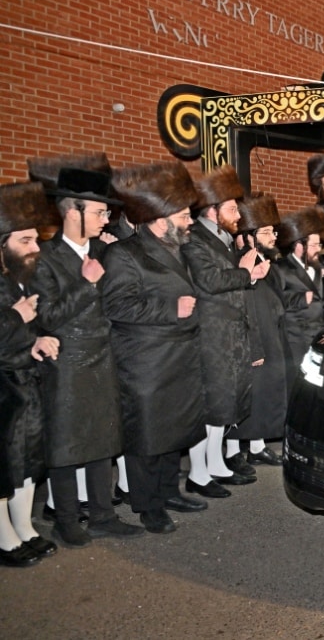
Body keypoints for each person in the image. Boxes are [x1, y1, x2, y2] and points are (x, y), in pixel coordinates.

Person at [32, 167, 144, 547]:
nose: (106, 218)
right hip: (66, 363)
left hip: (102, 356)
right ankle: (66, 518)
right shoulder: (44, 258)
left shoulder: (105, 249)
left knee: (103, 438)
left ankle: (103, 515)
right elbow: (45, 316)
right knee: (65, 444)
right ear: (71, 212)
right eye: (98, 212)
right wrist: (86, 283)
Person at [103, 162, 209, 534]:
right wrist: (170, 309)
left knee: (173, 432)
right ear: (160, 219)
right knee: (148, 439)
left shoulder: (178, 249)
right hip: (146, 363)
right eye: (183, 215)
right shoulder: (124, 254)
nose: (190, 221)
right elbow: (116, 306)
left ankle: (169, 492)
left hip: (178, 358)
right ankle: (148, 506)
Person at [180, 166, 270, 498]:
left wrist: (251, 274)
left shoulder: (222, 239)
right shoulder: (195, 242)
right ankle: (198, 473)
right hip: (210, 334)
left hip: (229, 334)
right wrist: (245, 273)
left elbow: (231, 282)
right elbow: (209, 282)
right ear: (212, 210)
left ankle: (215, 464)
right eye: (232, 208)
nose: (237, 215)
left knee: (224, 404)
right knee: (210, 405)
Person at [0, 181, 61, 567]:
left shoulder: (14, 279)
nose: (36, 248)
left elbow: (19, 335)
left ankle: (24, 528)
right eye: (26, 241)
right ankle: (4, 538)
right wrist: (14, 316)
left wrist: (35, 341)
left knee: (25, 462)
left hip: (23, 382)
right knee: (4, 465)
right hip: (3, 389)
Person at [224, 194, 289, 467]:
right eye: (266, 232)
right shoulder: (241, 263)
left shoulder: (268, 261)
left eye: (274, 231)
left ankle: (257, 446)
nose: (273, 236)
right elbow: (242, 306)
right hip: (253, 339)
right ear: (249, 236)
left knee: (264, 396)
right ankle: (232, 452)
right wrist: (252, 345)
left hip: (271, 336)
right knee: (248, 396)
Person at [272, 206, 324, 390]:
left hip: (317, 335)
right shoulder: (281, 268)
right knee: (298, 385)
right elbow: (275, 300)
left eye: (319, 245)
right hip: (295, 339)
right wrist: (301, 298)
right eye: (314, 245)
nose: (318, 250)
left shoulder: (318, 268)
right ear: (298, 246)